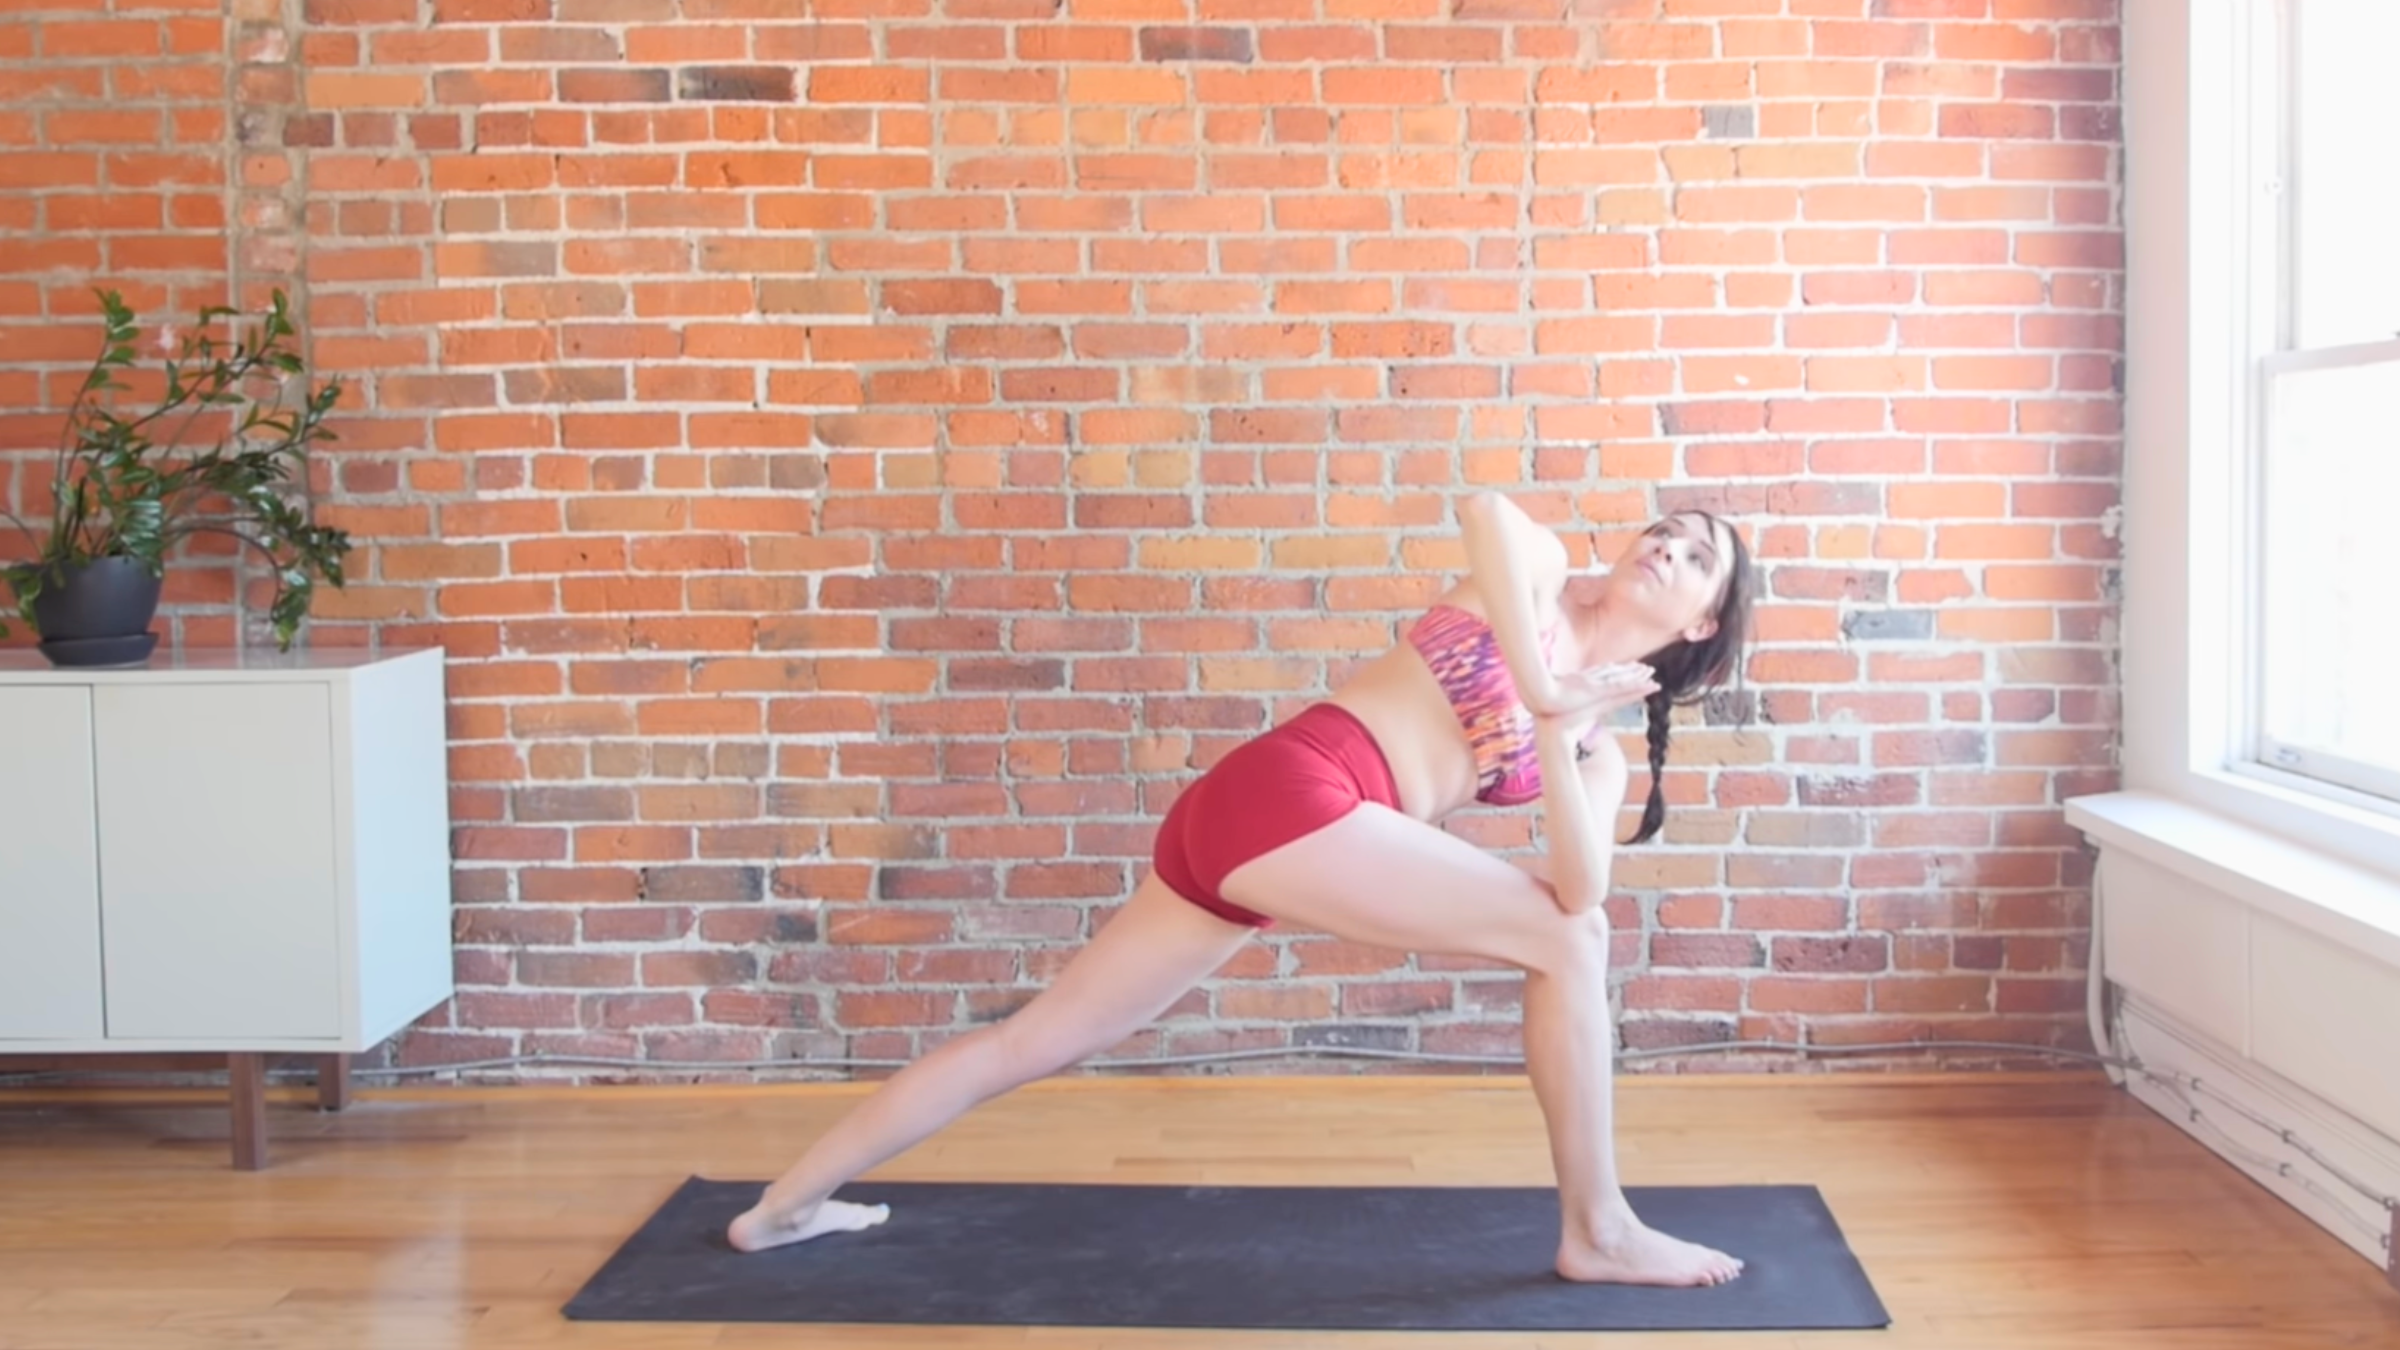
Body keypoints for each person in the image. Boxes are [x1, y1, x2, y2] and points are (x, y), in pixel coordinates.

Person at [727, 494, 1757, 1287]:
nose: (1667, 544)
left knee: (1033, 1041)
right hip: (1294, 790)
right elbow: (1488, 508)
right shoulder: (1536, 573)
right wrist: (1541, 685)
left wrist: (1553, 718)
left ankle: (780, 1208)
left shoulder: (1598, 749)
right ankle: (1599, 1227)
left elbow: (1578, 889)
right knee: (1568, 945)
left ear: (1703, 618)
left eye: (1697, 554)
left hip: (1260, 843)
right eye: (1666, 528)